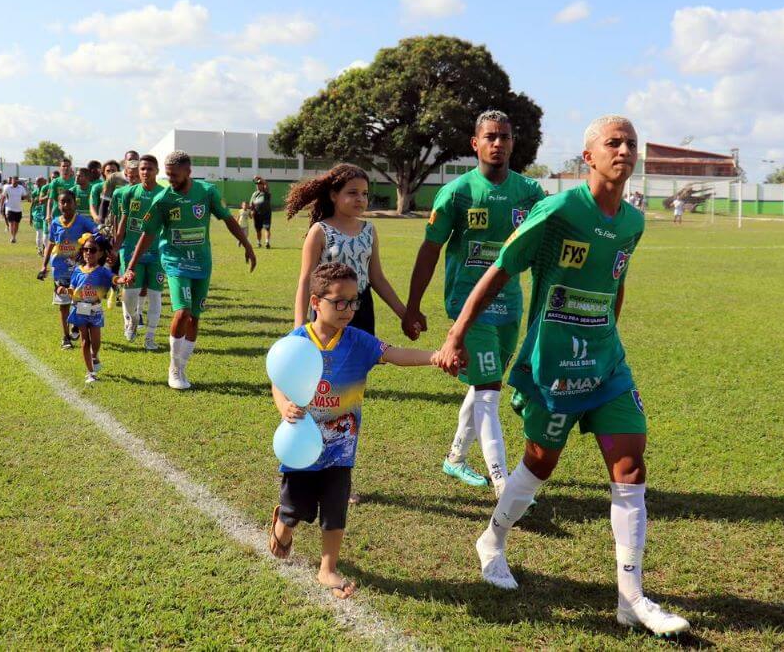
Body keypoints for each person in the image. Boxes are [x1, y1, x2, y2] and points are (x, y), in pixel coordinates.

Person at [437, 115, 689, 636]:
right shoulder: (558, 209)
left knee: (630, 466)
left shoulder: (634, 221)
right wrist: (457, 334)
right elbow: (501, 268)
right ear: (589, 157)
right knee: (538, 465)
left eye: (631, 144)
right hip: (551, 364)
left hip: (606, 363)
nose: (624, 151)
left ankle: (631, 598)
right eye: (612, 143)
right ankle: (493, 540)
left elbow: (616, 281)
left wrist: (607, 336)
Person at [267, 262, 457, 599]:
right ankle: (283, 523)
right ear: (315, 303)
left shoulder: (358, 342)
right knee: (298, 508)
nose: (348, 309)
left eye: (353, 301)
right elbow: (278, 380)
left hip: (341, 448)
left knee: (335, 508)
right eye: (339, 302)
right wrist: (284, 407)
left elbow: (395, 353)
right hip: (302, 445)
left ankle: (328, 568)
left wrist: (435, 357)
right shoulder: (297, 341)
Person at [403, 110, 546, 494]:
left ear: (513, 143)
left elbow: (543, 250)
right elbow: (430, 250)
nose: (498, 143)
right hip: (466, 307)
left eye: (505, 137)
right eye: (490, 137)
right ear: (475, 143)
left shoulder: (530, 193)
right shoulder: (457, 192)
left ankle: (455, 458)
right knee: (488, 391)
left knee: (485, 386)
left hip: (509, 304)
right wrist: (412, 306)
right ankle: (504, 484)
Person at [120, 150, 256, 390]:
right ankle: (173, 367)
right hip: (174, 261)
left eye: (174, 175)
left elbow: (227, 219)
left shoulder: (207, 192)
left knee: (195, 317)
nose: (170, 179)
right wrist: (130, 266)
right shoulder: (163, 199)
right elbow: (148, 233)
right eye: (168, 175)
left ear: (188, 172)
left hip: (202, 263)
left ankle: (182, 365)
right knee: (182, 312)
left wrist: (247, 245)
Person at [287, 163, 408, 336]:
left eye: (364, 194)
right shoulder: (320, 231)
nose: (360, 198)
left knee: (360, 361)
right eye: (352, 193)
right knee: (328, 360)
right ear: (334, 195)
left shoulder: (369, 230)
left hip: (361, 307)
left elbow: (377, 278)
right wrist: (299, 326)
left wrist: (404, 314)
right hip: (329, 307)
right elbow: (306, 280)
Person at [111, 154, 167, 349]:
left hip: (157, 253)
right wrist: (115, 247)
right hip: (131, 252)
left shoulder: (165, 193)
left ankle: (150, 337)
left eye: (149, 169)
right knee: (130, 294)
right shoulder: (129, 193)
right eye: (142, 169)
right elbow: (123, 224)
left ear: (157, 171)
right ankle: (132, 319)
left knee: (155, 295)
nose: (145, 172)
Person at [40, 191, 98, 350]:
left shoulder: (82, 222)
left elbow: (97, 233)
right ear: (58, 205)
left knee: (83, 301)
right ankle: (65, 337)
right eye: (62, 202)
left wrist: (95, 238)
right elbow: (51, 244)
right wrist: (44, 265)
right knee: (64, 304)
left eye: (68, 202)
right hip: (60, 269)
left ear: (75, 203)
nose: (65, 205)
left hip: (80, 270)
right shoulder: (55, 223)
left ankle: (78, 327)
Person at [57, 233, 116, 383]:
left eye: (93, 250)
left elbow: (114, 278)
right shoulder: (78, 270)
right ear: (82, 251)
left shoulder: (102, 271)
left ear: (100, 253)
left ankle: (94, 355)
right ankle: (90, 373)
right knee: (85, 340)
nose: (89, 253)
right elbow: (72, 289)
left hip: (95, 309)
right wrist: (64, 290)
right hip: (81, 308)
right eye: (86, 250)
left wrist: (123, 278)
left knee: (96, 341)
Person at [45, 158, 77, 223]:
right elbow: (50, 200)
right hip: (57, 214)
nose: (66, 168)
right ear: (60, 168)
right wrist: (48, 214)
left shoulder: (75, 182)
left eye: (68, 166)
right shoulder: (55, 182)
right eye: (63, 166)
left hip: (72, 215)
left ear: (71, 168)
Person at [0, 176, 28, 243]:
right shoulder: (7, 187)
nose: (14, 182)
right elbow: (3, 197)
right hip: (9, 208)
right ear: (11, 181)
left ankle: (14, 236)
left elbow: (25, 195)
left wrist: (28, 197)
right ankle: (12, 237)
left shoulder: (21, 188)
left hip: (18, 209)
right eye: (13, 181)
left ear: (17, 181)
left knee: (16, 224)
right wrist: (1, 206)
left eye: (16, 181)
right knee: (11, 223)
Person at [251, 177, 273, 248]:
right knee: (258, 230)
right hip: (257, 214)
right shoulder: (254, 194)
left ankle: (267, 242)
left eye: (260, 184)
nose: (258, 185)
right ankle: (259, 242)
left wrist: (259, 177)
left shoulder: (266, 192)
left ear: (263, 185)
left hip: (266, 213)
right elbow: (251, 204)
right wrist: (252, 211)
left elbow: (266, 183)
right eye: (257, 184)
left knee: (267, 228)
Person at [30, 177, 49, 252]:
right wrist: (31, 216)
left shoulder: (48, 189)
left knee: (46, 233)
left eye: (38, 181)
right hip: (37, 214)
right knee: (39, 233)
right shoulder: (35, 192)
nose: (36, 183)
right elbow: (32, 204)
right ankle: (39, 249)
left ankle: (45, 249)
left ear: (44, 182)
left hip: (46, 214)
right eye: (36, 182)